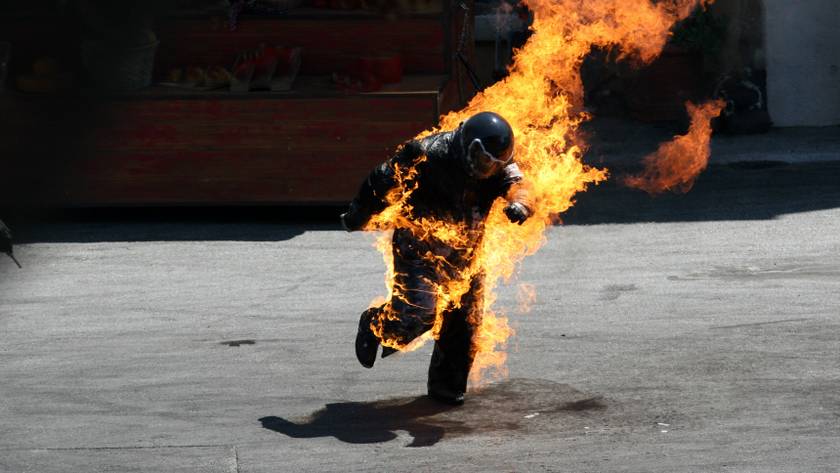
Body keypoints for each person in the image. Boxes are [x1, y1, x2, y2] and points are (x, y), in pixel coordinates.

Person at [341, 111, 533, 404]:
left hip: (466, 254)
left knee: (464, 325)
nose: (489, 170)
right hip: (419, 249)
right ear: (471, 147)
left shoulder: (498, 166)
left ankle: (446, 387)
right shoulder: (426, 153)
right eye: (485, 161)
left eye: (496, 164)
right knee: (416, 316)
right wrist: (359, 214)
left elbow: (521, 186)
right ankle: (374, 323)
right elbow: (382, 178)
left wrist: (520, 204)